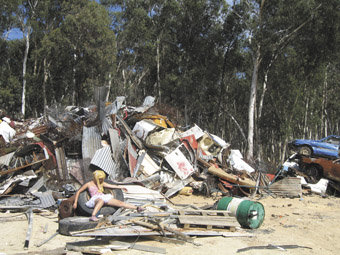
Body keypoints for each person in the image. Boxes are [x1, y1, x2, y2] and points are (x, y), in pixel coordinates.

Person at [73, 170, 144, 221]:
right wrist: (75, 202)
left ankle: (137, 208)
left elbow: (111, 186)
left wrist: (121, 187)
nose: (101, 180)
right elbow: (79, 191)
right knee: (100, 201)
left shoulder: (101, 183)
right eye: (100, 179)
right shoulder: (89, 184)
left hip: (104, 197)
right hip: (95, 199)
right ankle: (93, 216)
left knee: (119, 203)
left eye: (102, 179)